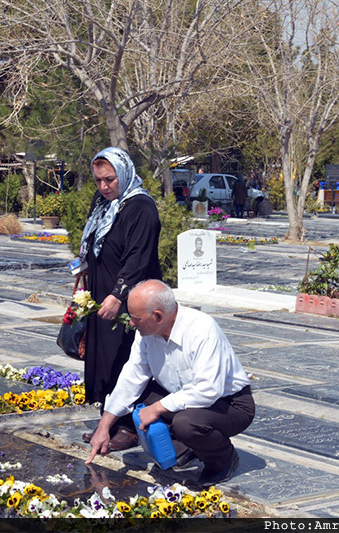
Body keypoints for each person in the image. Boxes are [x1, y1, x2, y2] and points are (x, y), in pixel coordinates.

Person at [86, 280, 255, 485]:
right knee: (136, 393)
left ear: (157, 316)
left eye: (135, 318)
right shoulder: (146, 333)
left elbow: (208, 389)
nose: (131, 323)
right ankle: (186, 448)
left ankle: (223, 459)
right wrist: (104, 427)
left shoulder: (201, 328)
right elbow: (132, 376)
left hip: (229, 404)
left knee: (186, 424)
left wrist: (158, 407)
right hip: (183, 395)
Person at [79, 146, 162, 451]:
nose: (104, 187)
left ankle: (128, 426)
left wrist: (117, 295)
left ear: (124, 174)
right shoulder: (103, 203)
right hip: (102, 294)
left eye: (110, 179)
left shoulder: (140, 207)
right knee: (104, 358)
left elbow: (138, 258)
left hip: (131, 300)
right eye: (99, 180)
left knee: (127, 358)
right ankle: (108, 421)